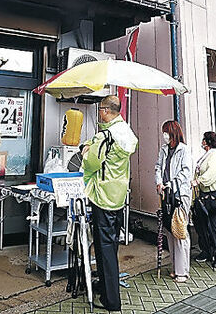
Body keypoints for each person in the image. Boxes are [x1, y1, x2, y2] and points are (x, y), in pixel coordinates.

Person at [80, 95, 138, 312]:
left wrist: (86, 150)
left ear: (105, 110)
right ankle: (105, 286)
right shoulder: (127, 132)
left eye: (99, 110)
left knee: (103, 248)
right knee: (111, 245)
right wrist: (93, 143)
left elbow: (91, 163)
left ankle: (111, 300)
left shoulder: (105, 135)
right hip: (119, 195)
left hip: (102, 195)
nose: (99, 114)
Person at [155, 120, 193, 283]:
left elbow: (186, 172)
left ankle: (183, 271)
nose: (164, 135)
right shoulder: (164, 149)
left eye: (166, 132)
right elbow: (158, 167)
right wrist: (159, 182)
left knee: (180, 230)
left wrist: (171, 184)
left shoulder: (183, 150)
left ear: (172, 133)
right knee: (170, 231)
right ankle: (175, 267)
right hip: (166, 194)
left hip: (180, 194)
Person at [192, 131, 216, 269]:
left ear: (207, 142)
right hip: (203, 195)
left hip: (213, 195)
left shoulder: (215, 155)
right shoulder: (207, 155)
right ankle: (206, 251)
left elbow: (211, 174)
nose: (202, 142)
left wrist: (197, 181)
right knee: (202, 225)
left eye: (203, 140)